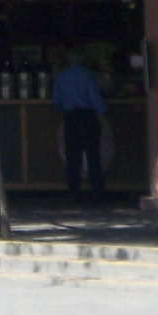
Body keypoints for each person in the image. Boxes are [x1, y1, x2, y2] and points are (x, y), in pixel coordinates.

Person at [51, 45, 108, 200]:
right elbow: (96, 98)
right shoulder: (88, 76)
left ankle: (74, 191)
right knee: (93, 154)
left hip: (70, 117)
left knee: (72, 156)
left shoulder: (61, 77)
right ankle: (97, 190)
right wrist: (102, 112)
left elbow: (56, 102)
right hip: (88, 116)